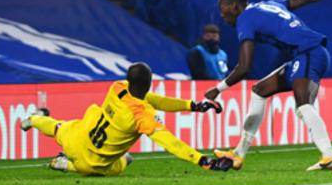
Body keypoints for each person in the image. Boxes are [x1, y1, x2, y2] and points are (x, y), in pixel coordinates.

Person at [204, 0, 332, 171]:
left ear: (234, 6)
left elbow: (244, 67)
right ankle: (239, 153)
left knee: (303, 104)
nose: (221, 13)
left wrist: (218, 89)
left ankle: (329, 156)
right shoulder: (271, 4)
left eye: (222, 7)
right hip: (306, 55)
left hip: (308, 52)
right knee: (260, 90)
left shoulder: (245, 19)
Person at [20, 62, 223, 176]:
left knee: (57, 127)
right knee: (126, 159)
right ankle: (65, 165)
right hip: (92, 165)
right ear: (149, 83)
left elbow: (153, 100)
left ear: (129, 79)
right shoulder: (142, 116)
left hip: (77, 137)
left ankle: (32, 119)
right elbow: (170, 142)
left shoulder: (117, 87)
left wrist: (192, 106)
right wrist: (201, 160)